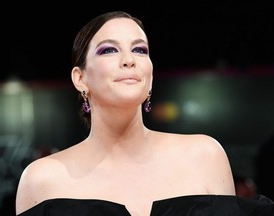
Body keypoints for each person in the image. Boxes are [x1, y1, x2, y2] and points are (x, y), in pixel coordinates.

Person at [15, 11, 274, 215]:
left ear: (149, 78)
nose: (129, 60)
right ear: (80, 78)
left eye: (140, 49)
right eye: (109, 50)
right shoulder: (42, 180)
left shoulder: (205, 156)